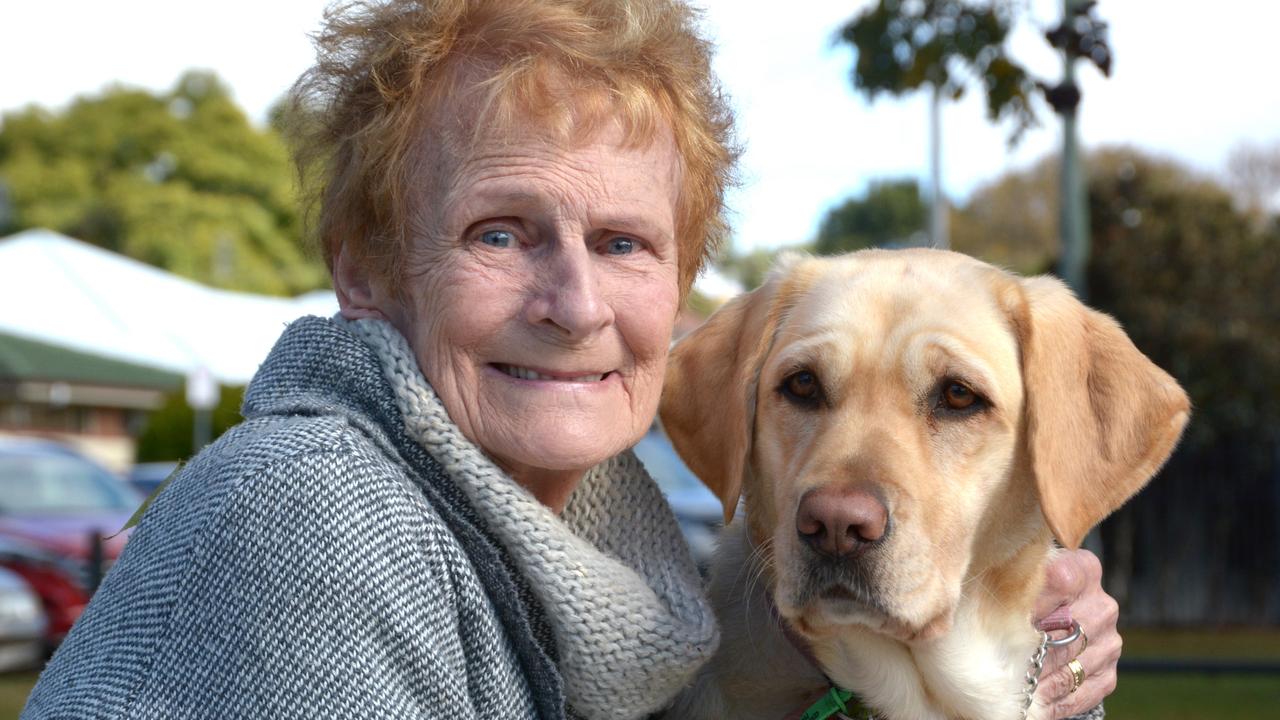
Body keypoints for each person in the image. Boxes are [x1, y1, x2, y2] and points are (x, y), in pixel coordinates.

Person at [23, 1, 1117, 718]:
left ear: (679, 289)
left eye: (623, 244)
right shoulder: (319, 519)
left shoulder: (604, 545)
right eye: (498, 234)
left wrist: (980, 661)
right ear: (364, 265)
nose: (574, 303)